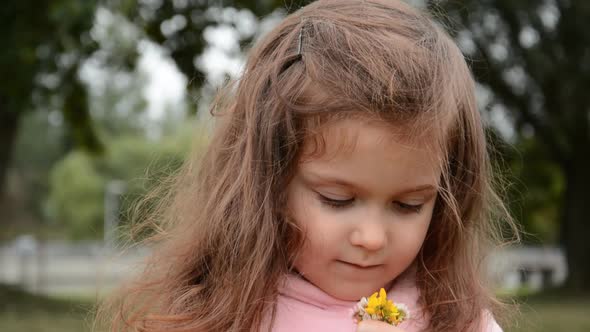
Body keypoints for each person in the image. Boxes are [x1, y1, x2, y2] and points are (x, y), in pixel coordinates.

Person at [97, 0, 519, 331]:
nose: (371, 238)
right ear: (269, 182)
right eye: (336, 199)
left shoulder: (459, 323)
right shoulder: (220, 318)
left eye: (408, 205)